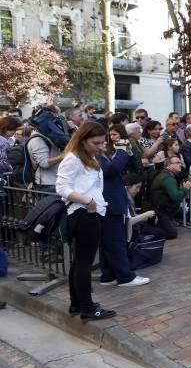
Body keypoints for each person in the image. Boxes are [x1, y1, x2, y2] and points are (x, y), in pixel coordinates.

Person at [55, 122, 116, 321]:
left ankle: (78, 304)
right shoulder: (73, 159)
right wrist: (87, 201)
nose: (100, 146)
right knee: (84, 262)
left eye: (102, 142)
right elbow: (62, 187)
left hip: (90, 212)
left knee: (80, 262)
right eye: (96, 142)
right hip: (83, 213)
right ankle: (87, 308)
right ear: (83, 140)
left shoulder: (88, 157)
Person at [99, 133, 150, 287]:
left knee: (108, 242)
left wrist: (123, 151)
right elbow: (112, 169)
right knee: (116, 241)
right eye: (100, 141)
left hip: (109, 202)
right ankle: (125, 277)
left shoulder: (98, 156)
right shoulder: (94, 157)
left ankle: (109, 275)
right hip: (109, 203)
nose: (105, 143)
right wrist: (121, 150)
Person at [146, 156, 191, 239]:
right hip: (160, 211)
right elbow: (176, 196)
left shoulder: (166, 174)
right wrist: (185, 189)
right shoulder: (168, 178)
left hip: (163, 209)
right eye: (177, 163)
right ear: (168, 165)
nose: (180, 165)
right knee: (171, 233)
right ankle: (146, 230)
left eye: (180, 163)